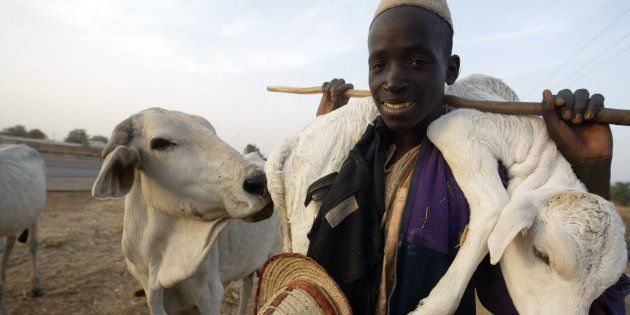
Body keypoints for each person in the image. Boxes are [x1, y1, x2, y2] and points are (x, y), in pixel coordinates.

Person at [306, 0, 628, 314]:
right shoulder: (360, 150)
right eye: (378, 65)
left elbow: (576, 291)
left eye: (417, 62)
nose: (392, 81)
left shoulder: (491, 179)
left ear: (450, 69)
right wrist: (325, 123)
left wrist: (590, 168)